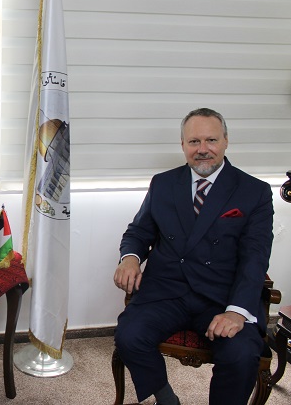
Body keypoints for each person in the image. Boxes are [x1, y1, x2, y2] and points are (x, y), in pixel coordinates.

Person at [113, 108, 273, 405]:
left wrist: (237, 312)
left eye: (211, 140)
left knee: (241, 354)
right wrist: (130, 258)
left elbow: (255, 257)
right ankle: (166, 398)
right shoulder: (163, 183)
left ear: (226, 141)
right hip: (167, 291)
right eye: (194, 141)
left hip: (221, 297)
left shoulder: (255, 191)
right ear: (183, 144)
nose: (202, 149)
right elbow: (138, 231)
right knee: (129, 336)